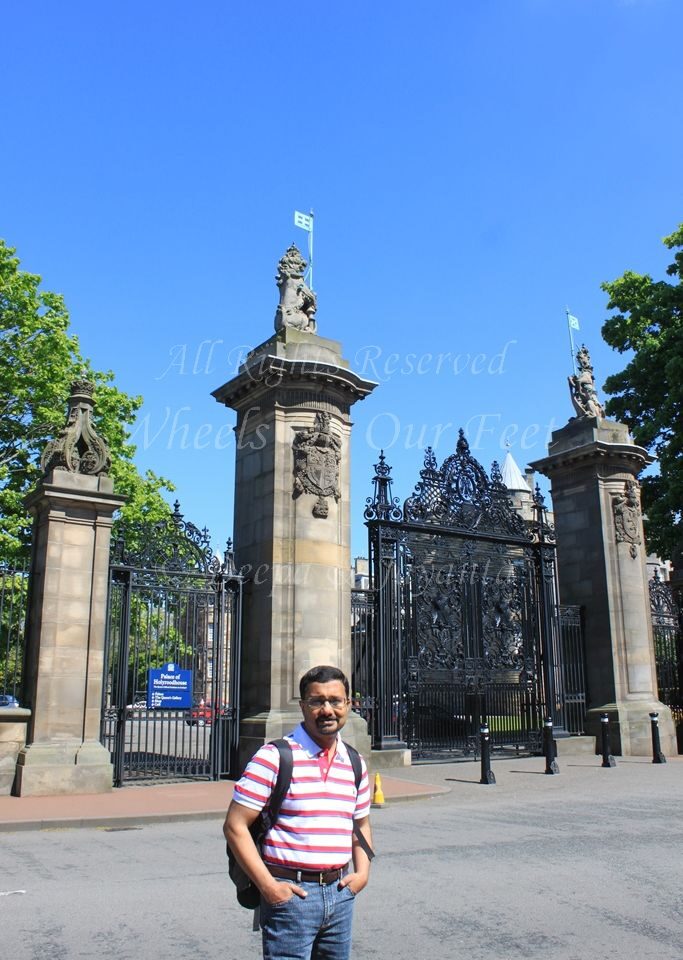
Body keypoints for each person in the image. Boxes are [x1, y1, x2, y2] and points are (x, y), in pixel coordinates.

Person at [224, 664, 373, 960]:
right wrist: (269, 888)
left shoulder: (354, 762)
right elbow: (234, 826)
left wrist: (362, 875)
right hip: (291, 896)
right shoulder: (274, 757)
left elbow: (361, 825)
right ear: (303, 706)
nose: (327, 709)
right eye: (317, 701)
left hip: (341, 894)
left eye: (335, 701)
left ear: (348, 704)